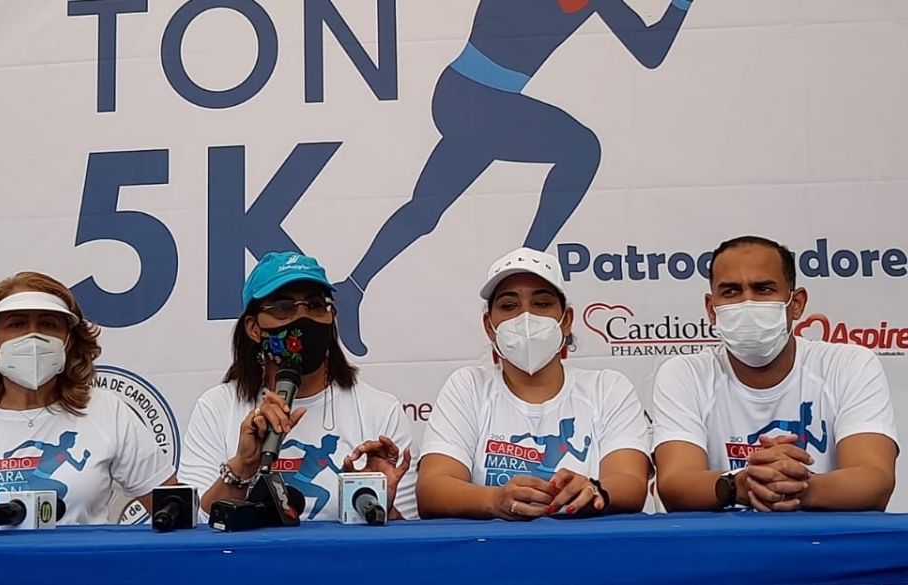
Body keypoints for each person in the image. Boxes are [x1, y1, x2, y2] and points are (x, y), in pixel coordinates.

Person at [335, 0, 693, 356]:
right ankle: (528, 271)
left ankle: (351, 288)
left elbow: (650, 51)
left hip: (478, 101)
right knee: (583, 149)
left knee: (425, 211)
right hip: (474, 100)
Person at [653, 236, 899, 512]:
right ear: (712, 309)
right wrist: (741, 485)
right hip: (724, 539)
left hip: (821, 537)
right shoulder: (685, 374)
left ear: (796, 303)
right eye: (731, 292)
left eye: (764, 289)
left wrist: (796, 488)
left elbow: (874, 480)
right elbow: (674, 485)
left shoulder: (848, 365)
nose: (747, 303)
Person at [0, 272, 175, 525]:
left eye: (49, 324)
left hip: (82, 558)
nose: (33, 336)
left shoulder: (107, 411)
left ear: (69, 341)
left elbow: (174, 509)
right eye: (17, 324)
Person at [178, 251, 417, 521]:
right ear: (254, 328)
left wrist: (381, 505)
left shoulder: (381, 410)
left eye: (315, 305)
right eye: (284, 307)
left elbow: (408, 533)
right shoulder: (216, 407)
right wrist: (243, 465)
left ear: (332, 316)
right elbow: (196, 525)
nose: (303, 317)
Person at [417, 248, 650, 519]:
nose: (525, 317)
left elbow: (631, 483)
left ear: (566, 321)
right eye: (509, 306)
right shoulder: (469, 387)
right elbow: (432, 489)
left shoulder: (607, 388)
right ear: (489, 326)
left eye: (541, 304)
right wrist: (494, 500)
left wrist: (594, 490)